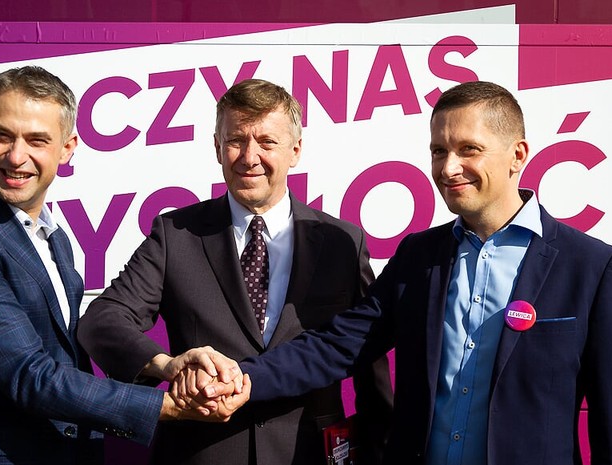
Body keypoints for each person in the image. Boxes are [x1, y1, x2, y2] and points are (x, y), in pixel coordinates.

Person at [197, 80, 612, 464]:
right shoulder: (418, 257)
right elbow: (338, 345)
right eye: (438, 151)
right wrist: (243, 379)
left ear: (517, 155)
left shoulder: (592, 268)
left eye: (469, 150)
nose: (448, 168)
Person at [0, 65, 249, 465]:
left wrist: (168, 366)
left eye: (37, 140)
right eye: (2, 136)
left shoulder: (52, 237)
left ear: (67, 148)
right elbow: (30, 375)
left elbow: (63, 361)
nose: (16, 156)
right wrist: (170, 406)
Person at [77, 78, 393, 465]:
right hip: (201, 453)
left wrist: (380, 449)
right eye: (236, 140)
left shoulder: (343, 242)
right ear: (217, 147)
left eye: (267, 142)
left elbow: (369, 353)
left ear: (295, 150)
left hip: (307, 453)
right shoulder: (176, 234)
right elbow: (102, 320)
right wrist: (168, 365)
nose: (249, 157)